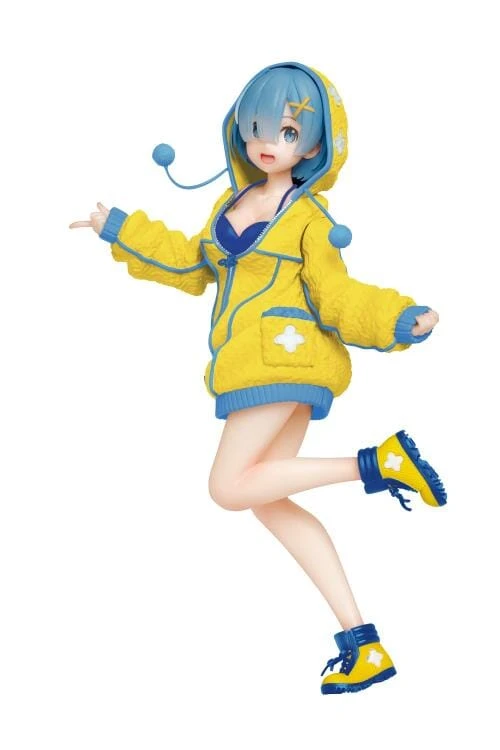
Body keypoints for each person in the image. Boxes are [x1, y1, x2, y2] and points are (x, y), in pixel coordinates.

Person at [70, 61, 446, 694]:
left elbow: (337, 294)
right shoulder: (233, 202)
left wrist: (397, 318)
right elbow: (191, 266)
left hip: (283, 358)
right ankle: (363, 642)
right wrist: (121, 228)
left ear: (316, 146)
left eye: (289, 132)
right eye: (258, 128)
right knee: (265, 499)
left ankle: (376, 464)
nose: (269, 142)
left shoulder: (311, 219)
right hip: (257, 362)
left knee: (226, 487)